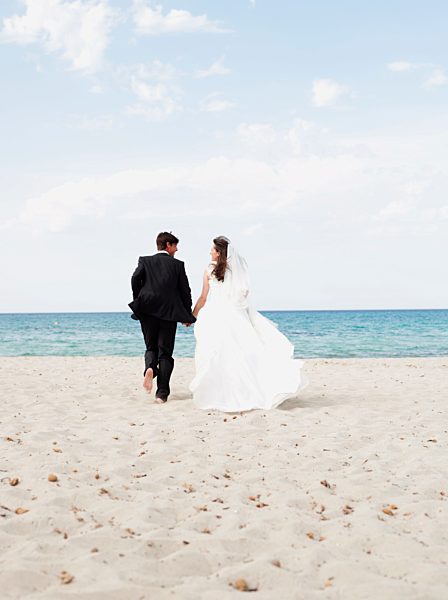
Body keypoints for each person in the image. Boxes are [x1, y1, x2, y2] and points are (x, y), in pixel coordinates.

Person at [189, 236, 307, 411]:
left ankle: (221, 392)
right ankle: (242, 390)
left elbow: (203, 297)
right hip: (234, 315)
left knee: (215, 353)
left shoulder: (209, 270)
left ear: (219, 252)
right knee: (240, 353)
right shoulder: (236, 271)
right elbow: (244, 294)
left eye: (212, 249)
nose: (210, 252)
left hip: (214, 315)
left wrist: (192, 315)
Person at [129, 232, 195, 403]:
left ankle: (150, 368)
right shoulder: (177, 265)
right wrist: (187, 314)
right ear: (167, 245)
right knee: (165, 353)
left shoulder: (145, 260)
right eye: (175, 246)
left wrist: (139, 298)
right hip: (169, 312)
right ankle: (161, 394)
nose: (177, 249)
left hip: (146, 309)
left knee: (151, 347)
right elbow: (185, 291)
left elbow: (135, 278)